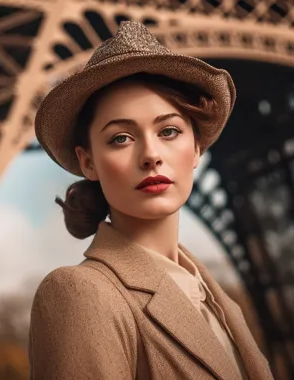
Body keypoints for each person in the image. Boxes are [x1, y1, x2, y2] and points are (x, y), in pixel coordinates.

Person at [29, 21, 273, 380]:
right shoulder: (82, 294)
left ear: (196, 149)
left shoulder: (222, 304)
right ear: (88, 162)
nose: (151, 155)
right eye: (121, 138)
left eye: (169, 131)